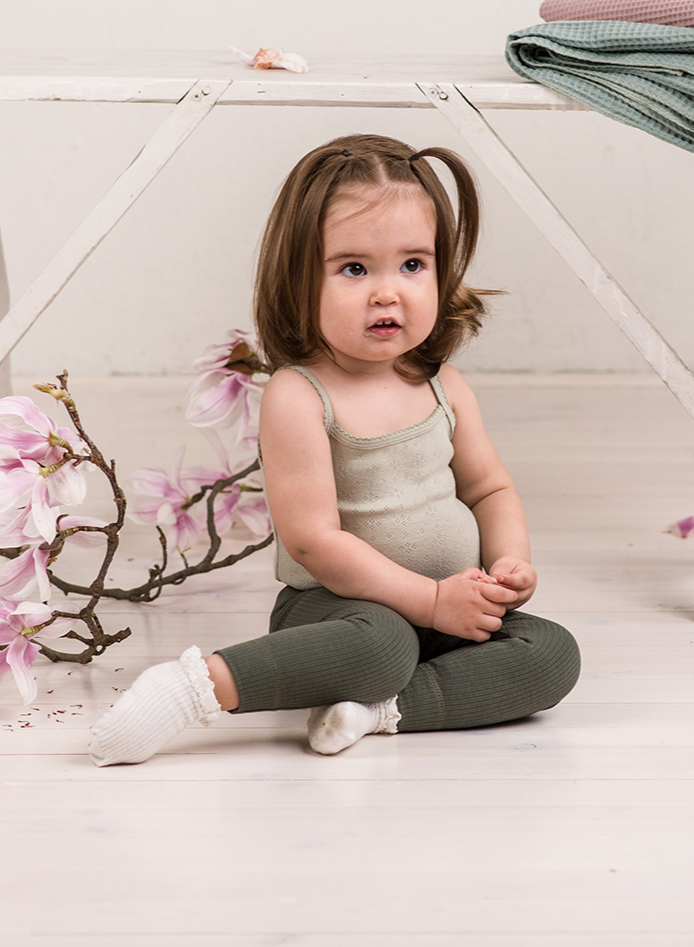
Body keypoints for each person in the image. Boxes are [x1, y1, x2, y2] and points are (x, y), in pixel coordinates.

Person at [89, 134, 581, 765]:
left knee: (552, 655)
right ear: (299, 278)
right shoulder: (300, 396)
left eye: (413, 265)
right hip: (339, 612)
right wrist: (428, 601)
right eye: (354, 268)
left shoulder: (442, 382)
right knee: (381, 647)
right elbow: (314, 542)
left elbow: (489, 488)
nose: (387, 293)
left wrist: (509, 565)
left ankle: (377, 711)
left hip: (447, 608)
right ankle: (194, 688)